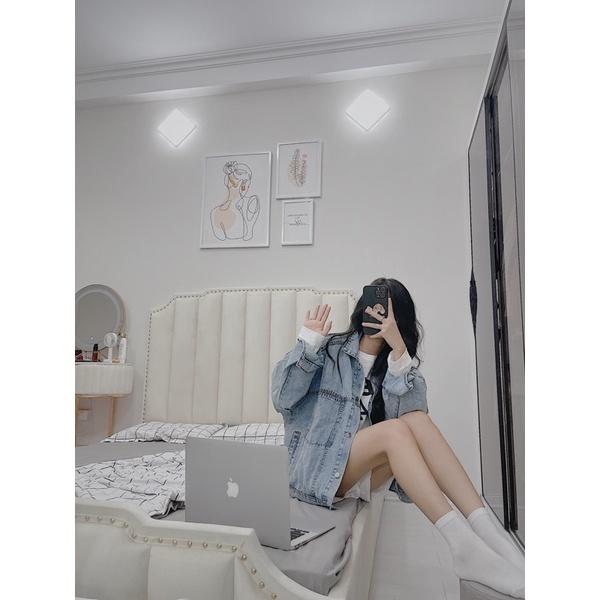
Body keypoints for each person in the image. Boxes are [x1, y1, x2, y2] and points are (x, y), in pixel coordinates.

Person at [272, 277, 524, 597]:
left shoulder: (393, 365)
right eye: (373, 304)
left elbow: (413, 416)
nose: (377, 313)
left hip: (358, 474)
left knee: (415, 420)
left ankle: (489, 533)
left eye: (387, 310)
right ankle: (463, 545)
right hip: (316, 471)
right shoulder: (329, 350)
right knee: (394, 432)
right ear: (362, 308)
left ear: (399, 319)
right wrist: (307, 344)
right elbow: (283, 399)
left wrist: (399, 353)